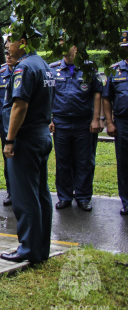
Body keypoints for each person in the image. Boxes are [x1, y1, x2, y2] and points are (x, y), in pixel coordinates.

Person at [0, 23, 54, 264]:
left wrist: (10, 140)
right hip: (42, 136)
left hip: (27, 139)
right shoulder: (43, 65)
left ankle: (28, 248)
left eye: (10, 41)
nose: (7, 46)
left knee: (25, 195)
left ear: (23, 42)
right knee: (41, 193)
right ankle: (41, 247)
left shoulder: (24, 68)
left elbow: (20, 106)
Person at [49, 32, 101, 212]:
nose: (63, 46)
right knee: (63, 161)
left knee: (84, 161)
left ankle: (83, 197)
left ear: (76, 48)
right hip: (61, 123)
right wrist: (50, 119)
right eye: (61, 43)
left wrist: (96, 119)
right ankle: (64, 196)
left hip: (83, 123)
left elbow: (96, 93)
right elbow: (49, 96)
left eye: (67, 43)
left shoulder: (88, 68)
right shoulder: (53, 69)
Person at [102, 30, 128, 217]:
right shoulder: (115, 70)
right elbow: (106, 98)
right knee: (124, 163)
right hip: (123, 123)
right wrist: (109, 122)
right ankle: (126, 202)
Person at [0, 45, 16, 206]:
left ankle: (24, 193)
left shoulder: (25, 72)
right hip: (5, 124)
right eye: (6, 53)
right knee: (8, 161)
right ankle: (11, 192)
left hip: (24, 126)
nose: (8, 56)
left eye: (10, 54)